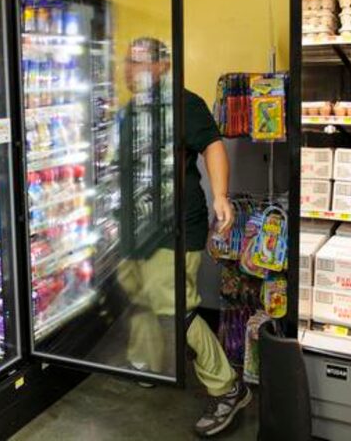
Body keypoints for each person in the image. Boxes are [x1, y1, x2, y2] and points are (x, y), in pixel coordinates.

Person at [118, 37, 251, 438]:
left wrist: (222, 197)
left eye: (140, 63)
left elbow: (212, 146)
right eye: (128, 61)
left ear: (163, 67)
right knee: (139, 294)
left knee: (177, 304)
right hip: (137, 227)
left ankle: (228, 387)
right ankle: (146, 363)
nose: (130, 69)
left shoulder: (183, 104)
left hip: (175, 227)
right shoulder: (129, 112)